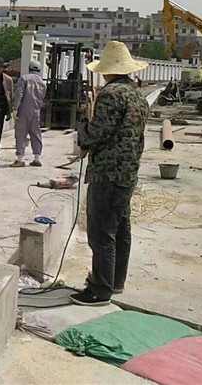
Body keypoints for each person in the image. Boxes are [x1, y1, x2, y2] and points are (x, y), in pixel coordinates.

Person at [71, 41, 149, 306]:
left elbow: (96, 133)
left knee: (102, 232)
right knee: (121, 229)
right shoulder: (136, 93)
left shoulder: (111, 94)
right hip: (128, 172)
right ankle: (115, 281)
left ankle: (99, 289)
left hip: (107, 172)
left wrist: (82, 126)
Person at [11, 60, 47, 167]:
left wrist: (15, 109)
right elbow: (42, 98)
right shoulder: (42, 83)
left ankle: (20, 159)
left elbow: (19, 94)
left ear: (29, 68)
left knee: (21, 135)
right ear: (39, 70)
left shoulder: (24, 78)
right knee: (36, 135)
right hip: (36, 112)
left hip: (23, 111)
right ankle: (37, 158)